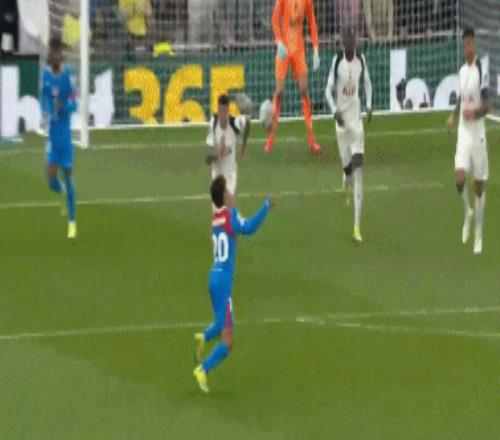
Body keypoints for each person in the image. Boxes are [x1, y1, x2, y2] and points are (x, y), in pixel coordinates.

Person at [193, 176, 273, 393]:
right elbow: (249, 228)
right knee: (228, 341)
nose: (232, 194)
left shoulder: (216, 218)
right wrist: (265, 206)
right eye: (228, 191)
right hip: (223, 283)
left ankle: (203, 337)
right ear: (224, 196)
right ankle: (203, 369)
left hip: (213, 277)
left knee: (222, 321)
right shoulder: (230, 216)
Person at [325, 29, 372, 243]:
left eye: (352, 40)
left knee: (359, 167)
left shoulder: (361, 59)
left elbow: (367, 83)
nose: (350, 44)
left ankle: (356, 226)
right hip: (341, 125)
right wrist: (334, 110)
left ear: (355, 41)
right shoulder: (337, 62)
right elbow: (327, 91)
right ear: (343, 43)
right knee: (349, 171)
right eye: (347, 41)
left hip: (356, 123)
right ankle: (345, 178)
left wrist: (369, 105)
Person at [447, 28, 490, 255]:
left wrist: (474, 113)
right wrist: (454, 115)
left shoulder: (482, 69)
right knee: (459, 180)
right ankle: (467, 212)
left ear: (475, 44)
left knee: (479, 186)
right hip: (464, 132)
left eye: (470, 44)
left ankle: (479, 232)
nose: (467, 48)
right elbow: (461, 97)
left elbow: (488, 105)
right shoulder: (462, 71)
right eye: (464, 45)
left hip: (478, 132)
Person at [265, 0, 322, 154]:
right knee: (279, 92)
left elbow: (312, 23)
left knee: (304, 90)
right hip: (284, 49)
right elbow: (274, 19)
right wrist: (278, 41)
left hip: (299, 49)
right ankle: (270, 138)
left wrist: (316, 49)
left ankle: (311, 139)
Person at [40, 36, 78, 239]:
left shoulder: (67, 76)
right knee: (50, 179)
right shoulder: (46, 75)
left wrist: (64, 107)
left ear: (60, 57)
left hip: (65, 138)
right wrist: (46, 112)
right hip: (53, 138)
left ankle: (72, 222)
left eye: (58, 53)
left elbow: (75, 102)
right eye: (53, 53)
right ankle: (61, 189)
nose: (55, 57)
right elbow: (43, 98)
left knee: (69, 177)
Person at [206, 95, 250, 197]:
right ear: (218, 110)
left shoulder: (235, 124)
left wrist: (244, 145)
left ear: (228, 110)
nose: (223, 114)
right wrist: (217, 154)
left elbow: (247, 121)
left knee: (229, 204)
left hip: (230, 176)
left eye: (225, 111)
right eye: (220, 111)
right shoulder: (213, 124)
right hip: (217, 178)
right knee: (220, 207)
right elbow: (208, 160)